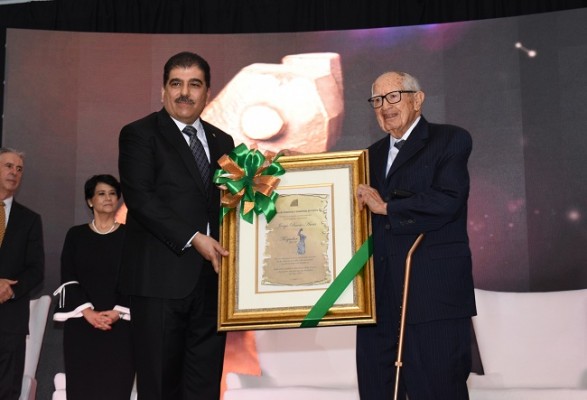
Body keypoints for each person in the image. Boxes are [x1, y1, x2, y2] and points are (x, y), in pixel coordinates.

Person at [118, 51, 235, 400]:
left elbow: (233, 203)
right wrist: (194, 238)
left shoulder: (223, 142)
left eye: (194, 84)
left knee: (204, 386)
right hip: (158, 284)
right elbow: (141, 199)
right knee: (160, 386)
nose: (185, 92)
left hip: (213, 285)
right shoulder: (139, 134)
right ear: (163, 91)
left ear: (207, 93)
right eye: (176, 84)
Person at [356, 71, 476, 400]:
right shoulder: (366, 158)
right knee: (377, 388)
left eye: (393, 96)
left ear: (417, 99)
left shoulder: (450, 139)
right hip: (377, 299)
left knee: (438, 388)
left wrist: (388, 208)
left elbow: (448, 199)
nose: (384, 106)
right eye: (377, 100)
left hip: (432, 294)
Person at [53, 174, 134, 400]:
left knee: (116, 390)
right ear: (90, 201)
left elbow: (135, 278)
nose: (108, 198)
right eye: (101, 193)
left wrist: (117, 312)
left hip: (120, 328)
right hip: (81, 327)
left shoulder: (131, 236)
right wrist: (87, 312)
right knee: (82, 390)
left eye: (112, 193)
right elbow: (68, 276)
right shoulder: (76, 235)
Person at [0, 147, 44, 400]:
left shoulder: (29, 219)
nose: (14, 173)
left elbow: (36, 270)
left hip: (10, 322)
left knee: (7, 390)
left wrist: (10, 289)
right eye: (8, 166)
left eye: (19, 169)